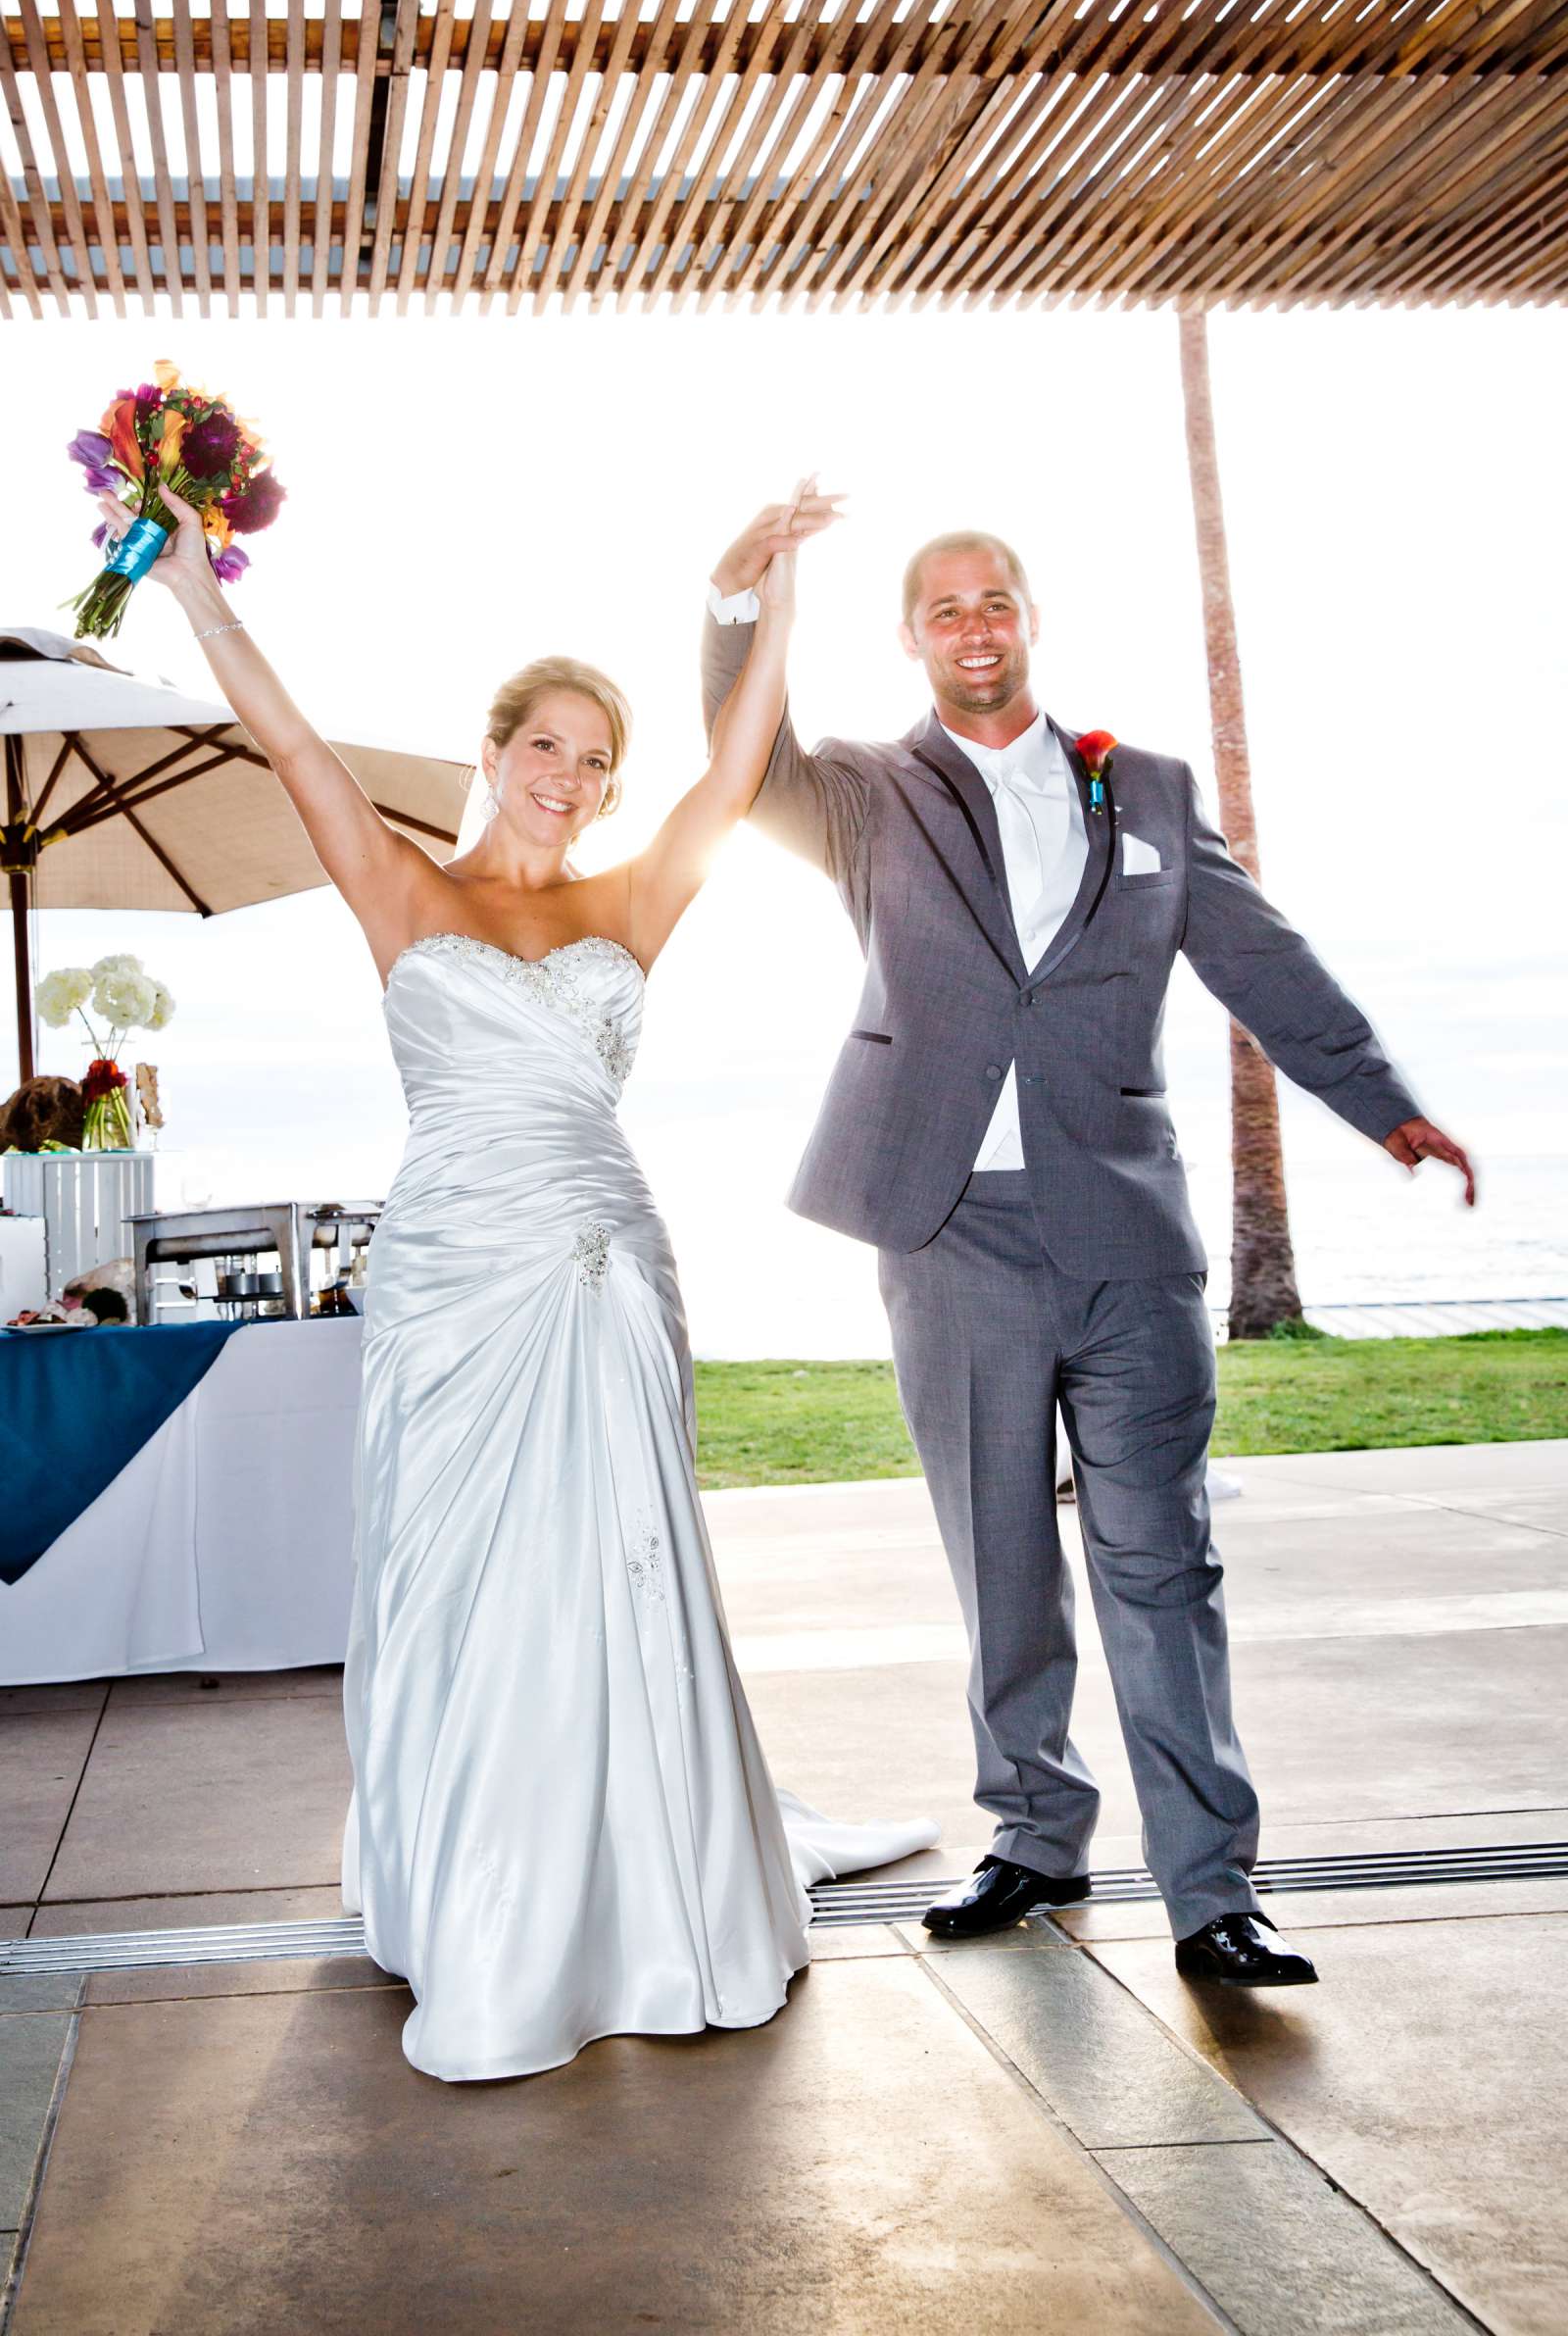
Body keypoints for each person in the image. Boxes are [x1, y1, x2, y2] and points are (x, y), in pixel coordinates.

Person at [104, 476, 934, 2081]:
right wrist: (201, 590)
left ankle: (647, 1889)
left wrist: (760, 598)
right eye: (545, 745)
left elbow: (738, 770)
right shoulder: (405, 889)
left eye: (595, 762)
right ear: (492, 755)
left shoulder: (627, 904)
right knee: (465, 1579)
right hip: (450, 1282)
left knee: (619, 1570)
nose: (570, 777)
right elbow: (293, 750)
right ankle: (482, 1897)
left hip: (608, 1265)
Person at [702, 512, 1475, 1986]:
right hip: (949, 1231)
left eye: (996, 599)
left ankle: (1213, 1891)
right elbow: (745, 756)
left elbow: (1267, 962)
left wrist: (1387, 1109)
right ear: (912, 638)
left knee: (1161, 1564)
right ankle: (1037, 1831)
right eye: (943, 608)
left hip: (1127, 1233)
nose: (973, 624)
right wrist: (738, 600)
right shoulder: (864, 797)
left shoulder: (1153, 792)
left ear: (1032, 617)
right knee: (1001, 1564)